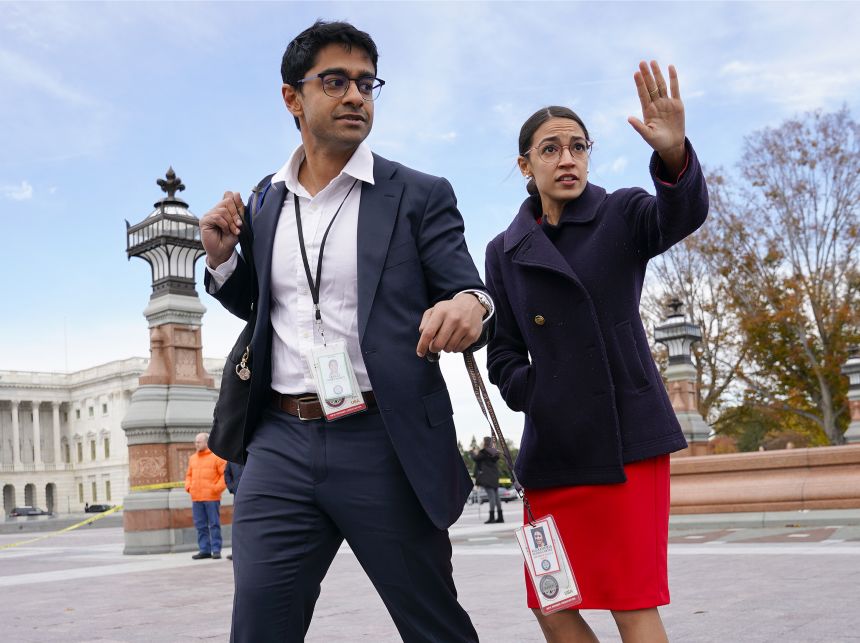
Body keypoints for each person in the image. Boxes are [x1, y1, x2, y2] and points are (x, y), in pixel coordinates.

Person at [200, 20, 493, 642]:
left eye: (366, 83)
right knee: (257, 628)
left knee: (434, 625)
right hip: (277, 440)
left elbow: (466, 289)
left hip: (382, 439)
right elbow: (265, 309)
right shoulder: (264, 200)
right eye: (335, 81)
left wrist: (474, 305)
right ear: (292, 98)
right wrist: (224, 258)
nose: (355, 95)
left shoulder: (418, 193)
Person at [484, 61, 708, 642]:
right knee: (551, 601)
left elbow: (681, 214)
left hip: (626, 439)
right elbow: (504, 351)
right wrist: (541, 391)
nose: (567, 158)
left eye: (578, 147)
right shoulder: (505, 250)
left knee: (630, 603)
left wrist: (675, 154)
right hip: (554, 446)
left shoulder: (622, 212)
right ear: (525, 165)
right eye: (550, 148)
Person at [184, 432, 227, 560]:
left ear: (206, 442)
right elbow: (188, 476)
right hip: (196, 498)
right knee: (200, 526)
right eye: (195, 442)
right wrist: (189, 487)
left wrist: (215, 489)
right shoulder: (193, 458)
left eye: (199, 442)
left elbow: (225, 475)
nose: (196, 444)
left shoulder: (216, 457)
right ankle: (204, 550)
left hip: (212, 498)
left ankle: (216, 550)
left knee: (214, 525)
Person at [470, 436, 502, 523]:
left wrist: (472, 452)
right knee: (496, 497)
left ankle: (492, 518)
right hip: (495, 477)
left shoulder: (484, 452)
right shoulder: (494, 452)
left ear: (485, 442)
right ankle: (500, 517)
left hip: (487, 478)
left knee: (491, 497)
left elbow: (475, 459)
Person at [223, 461, 244, 561]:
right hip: (237, 496)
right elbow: (227, 474)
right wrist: (232, 487)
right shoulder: (231, 459)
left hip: (251, 495)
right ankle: (236, 552)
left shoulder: (250, 455)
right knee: (237, 525)